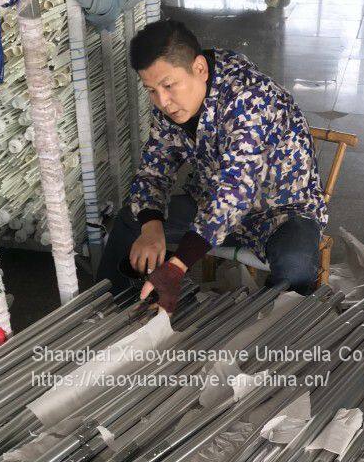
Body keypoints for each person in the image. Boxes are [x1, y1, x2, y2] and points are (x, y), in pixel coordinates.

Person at [96, 19, 328, 313]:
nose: (163, 101)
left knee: (296, 269)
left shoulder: (251, 98)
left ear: (200, 69)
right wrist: (151, 226)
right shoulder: (172, 105)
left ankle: (269, 334)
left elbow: (235, 191)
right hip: (209, 203)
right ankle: (107, 312)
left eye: (168, 85)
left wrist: (178, 265)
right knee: (132, 220)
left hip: (282, 212)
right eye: (151, 90)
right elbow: (154, 168)